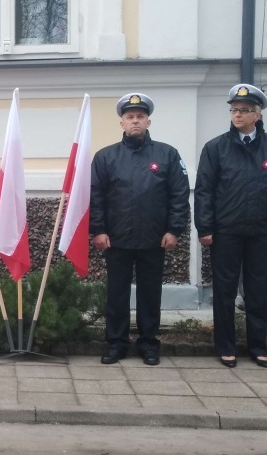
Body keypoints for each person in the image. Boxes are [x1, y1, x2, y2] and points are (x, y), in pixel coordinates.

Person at [90, 93, 190, 366]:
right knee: (117, 293)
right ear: (121, 123)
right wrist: (98, 230)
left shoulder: (167, 154)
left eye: (140, 116)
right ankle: (116, 343)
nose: (135, 120)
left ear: (149, 121)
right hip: (117, 239)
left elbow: (179, 195)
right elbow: (96, 196)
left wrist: (174, 230)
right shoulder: (105, 157)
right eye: (130, 117)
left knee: (150, 294)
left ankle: (148, 344)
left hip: (154, 238)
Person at [194, 83, 267, 369]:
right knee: (224, 291)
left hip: (261, 232)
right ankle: (225, 346)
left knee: (259, 290)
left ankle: (259, 345)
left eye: (244, 110)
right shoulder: (216, 148)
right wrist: (205, 228)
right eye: (234, 110)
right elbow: (204, 191)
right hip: (226, 232)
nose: (237, 115)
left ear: (257, 115)